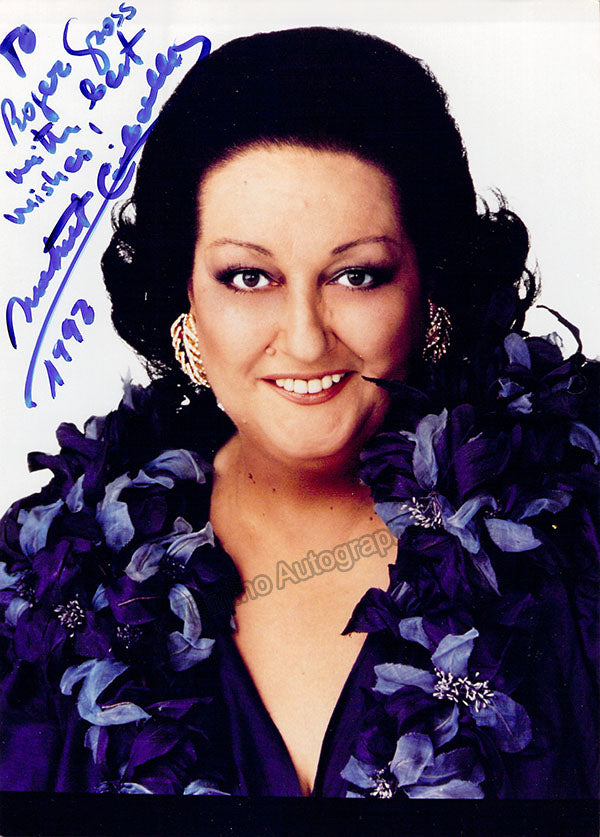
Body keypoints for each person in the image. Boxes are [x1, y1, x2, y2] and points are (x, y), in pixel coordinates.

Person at [0, 27, 597, 798]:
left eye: (357, 274)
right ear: (185, 304)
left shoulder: (576, 549)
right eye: (250, 277)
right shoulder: (50, 597)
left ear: (429, 294)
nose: (307, 338)